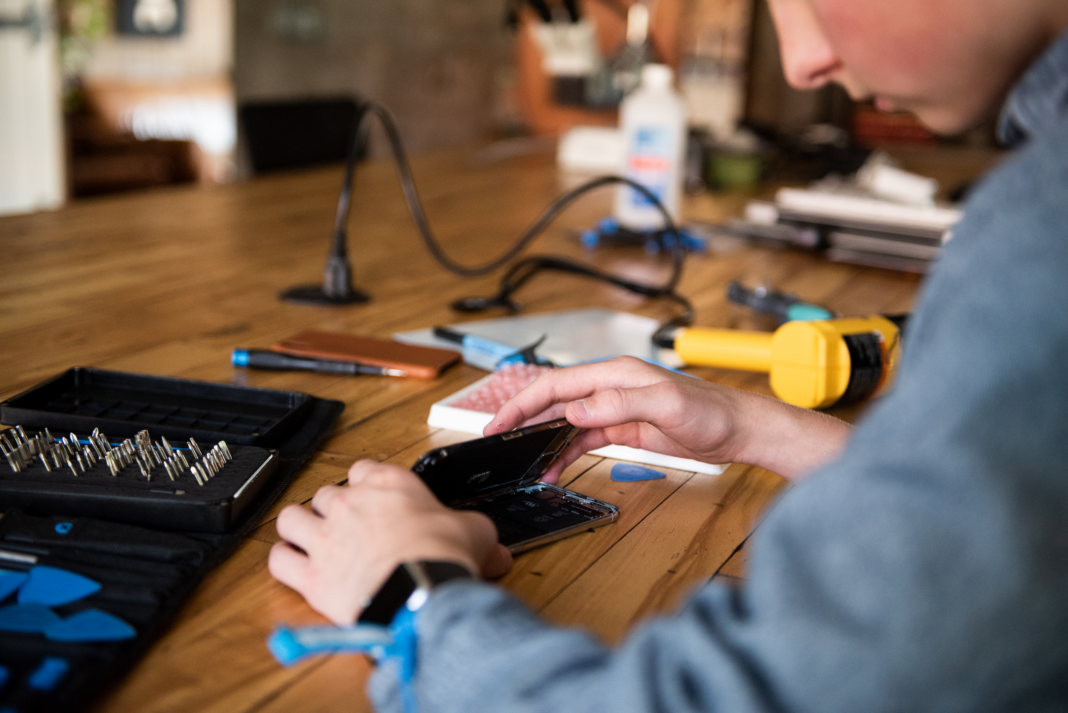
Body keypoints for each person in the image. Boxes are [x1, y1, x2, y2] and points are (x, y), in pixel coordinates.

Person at [268, 0, 1068, 709]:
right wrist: (751, 426)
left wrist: (415, 596)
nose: (803, 63)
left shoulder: (1041, 233)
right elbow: (1019, 528)